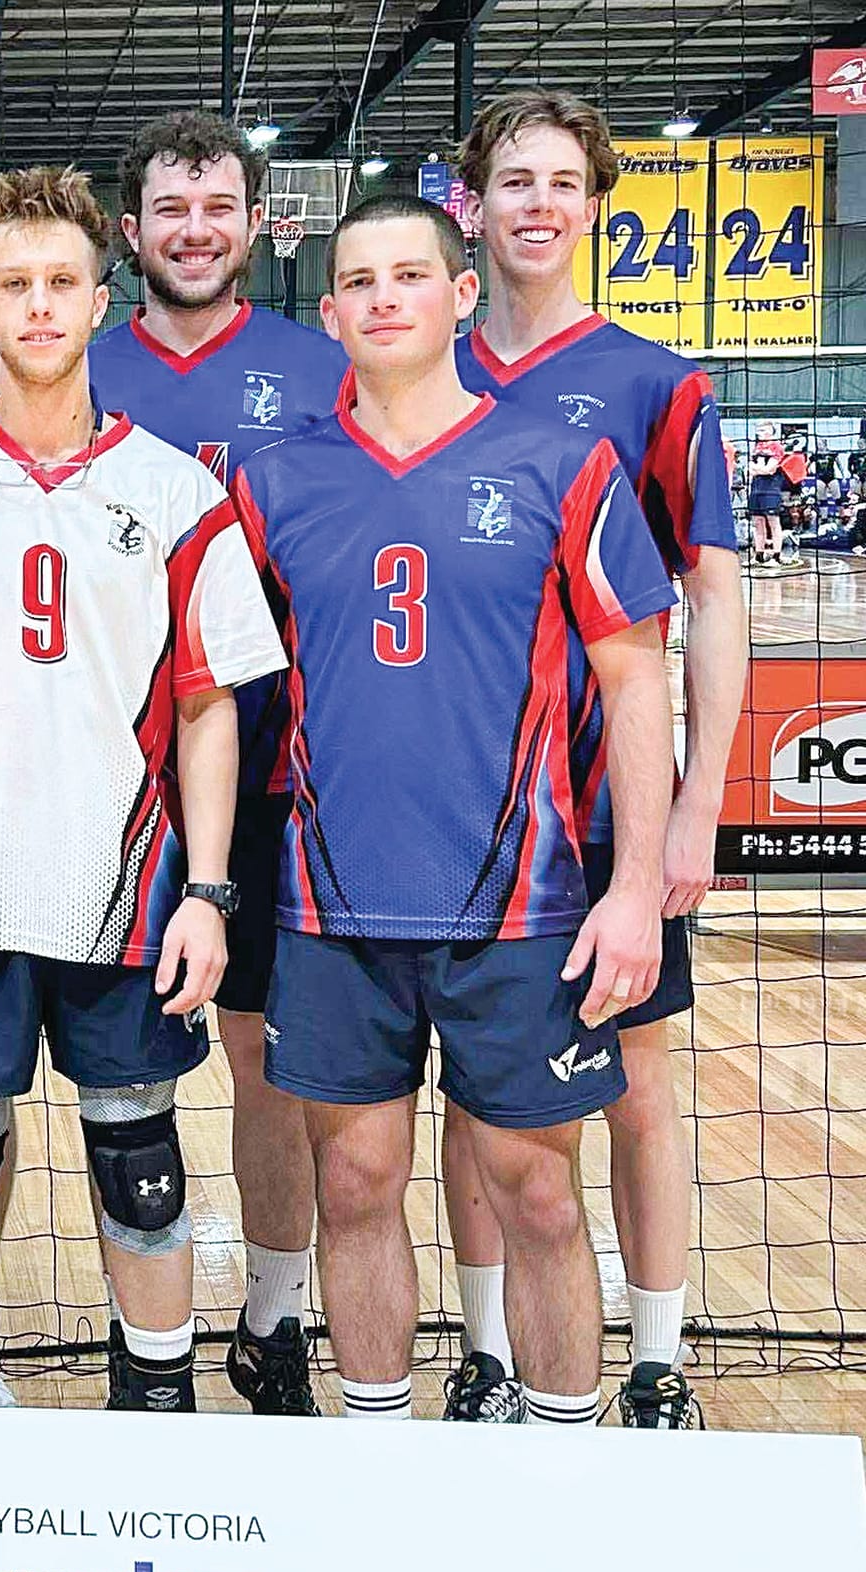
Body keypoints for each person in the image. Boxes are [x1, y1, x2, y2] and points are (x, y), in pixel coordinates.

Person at [0, 166, 284, 1412]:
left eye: (60, 285)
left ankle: (155, 1402)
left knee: (141, 1164)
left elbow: (207, 710)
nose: (37, 307)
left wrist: (204, 892)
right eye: (12, 286)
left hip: (126, 898)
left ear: (100, 300)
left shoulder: (180, 494)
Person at [233, 193, 676, 1426]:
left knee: (537, 1191)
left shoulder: (558, 463)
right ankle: (379, 1459)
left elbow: (636, 677)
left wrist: (633, 884)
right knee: (356, 1181)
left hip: (523, 903)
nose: (383, 297)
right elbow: (212, 686)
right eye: (358, 281)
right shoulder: (274, 484)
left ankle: (560, 1472)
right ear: (327, 316)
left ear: (458, 294)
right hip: (330, 901)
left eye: (407, 275)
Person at [451, 91, 749, 1428]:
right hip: (468, 811)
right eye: (513, 179)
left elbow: (716, 594)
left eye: (562, 182)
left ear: (592, 206)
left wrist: (695, 806)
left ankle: (656, 1354)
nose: (537, 203)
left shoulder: (654, 383)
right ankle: (490, 1351)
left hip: (603, 809)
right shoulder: (415, 368)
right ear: (474, 203)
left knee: (635, 1082)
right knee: (480, 1099)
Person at [88, 109, 348, 1418]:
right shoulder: (70, 368)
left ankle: (277, 1320)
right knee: (112, 1075)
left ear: (256, 224)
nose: (194, 230)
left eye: (217, 206)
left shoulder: (323, 368)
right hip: (106, 783)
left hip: (266, 776)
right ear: (129, 234)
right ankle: (147, 1347)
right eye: (170, 210)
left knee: (267, 1063)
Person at [746, 423, 786, 566]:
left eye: (763, 430)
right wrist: (759, 469)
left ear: (771, 431)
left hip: (771, 490)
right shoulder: (756, 447)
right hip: (756, 489)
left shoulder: (776, 447)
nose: (759, 432)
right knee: (757, 523)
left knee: (773, 522)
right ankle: (758, 556)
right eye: (758, 430)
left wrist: (759, 469)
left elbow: (770, 470)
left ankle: (776, 556)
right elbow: (749, 468)